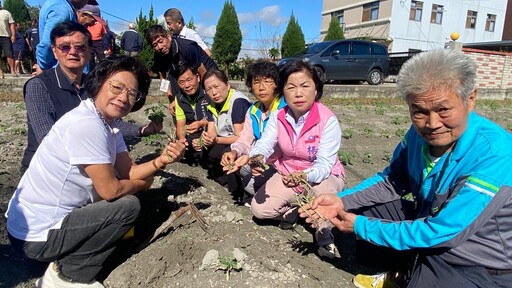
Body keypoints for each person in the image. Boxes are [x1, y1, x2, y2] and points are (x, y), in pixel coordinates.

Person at [300, 49, 512, 288]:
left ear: (469, 99)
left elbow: (444, 232)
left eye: (443, 110)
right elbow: (392, 181)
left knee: (430, 268)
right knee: (367, 208)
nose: (432, 124)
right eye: (419, 112)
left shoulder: (495, 153)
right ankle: (402, 271)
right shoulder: (417, 136)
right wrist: (341, 200)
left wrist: (360, 226)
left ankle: (411, 275)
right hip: (433, 223)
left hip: (479, 257)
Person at [6, 55, 187, 288]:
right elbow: (111, 191)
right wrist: (143, 185)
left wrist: (162, 160)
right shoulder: (87, 125)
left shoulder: (109, 126)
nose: (123, 97)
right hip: (35, 237)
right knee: (127, 206)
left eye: (132, 94)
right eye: (117, 87)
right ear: (99, 83)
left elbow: (129, 172)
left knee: (128, 200)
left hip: (44, 226)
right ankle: (67, 275)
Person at [20, 21, 162, 174]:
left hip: (88, 164)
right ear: (54, 51)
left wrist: (142, 130)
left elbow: (111, 124)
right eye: (65, 47)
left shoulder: (94, 85)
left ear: (89, 51)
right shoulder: (39, 86)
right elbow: (48, 139)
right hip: (45, 169)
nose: (73, 52)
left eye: (80, 47)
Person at [248, 59, 345, 260]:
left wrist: (304, 176)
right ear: (283, 91)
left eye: (305, 86)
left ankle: (325, 238)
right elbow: (265, 143)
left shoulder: (327, 120)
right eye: (291, 87)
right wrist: (257, 158)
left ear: (316, 89)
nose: (298, 93)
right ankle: (295, 211)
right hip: (287, 174)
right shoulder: (279, 116)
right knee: (259, 210)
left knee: (321, 205)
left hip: (322, 177)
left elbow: (325, 165)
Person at [221, 60, 286, 203]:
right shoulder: (253, 110)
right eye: (256, 82)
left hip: (282, 163)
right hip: (262, 160)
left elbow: (281, 147)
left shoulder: (285, 108)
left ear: (277, 84)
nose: (261, 88)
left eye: (267, 81)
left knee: (250, 182)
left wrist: (252, 157)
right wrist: (235, 152)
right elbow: (245, 139)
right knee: (245, 175)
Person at [199, 68, 251, 203]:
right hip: (226, 139)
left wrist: (216, 139)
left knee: (227, 156)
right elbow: (211, 129)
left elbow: (240, 137)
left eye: (216, 86)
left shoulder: (238, 102)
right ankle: (223, 180)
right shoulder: (212, 104)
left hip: (243, 142)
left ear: (227, 85)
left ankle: (241, 194)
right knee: (206, 152)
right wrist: (207, 139)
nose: (214, 92)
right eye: (209, 89)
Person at [145, 24, 218, 114]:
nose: (159, 47)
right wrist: (171, 99)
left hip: (209, 75)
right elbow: (163, 79)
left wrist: (205, 98)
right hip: (184, 73)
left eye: (160, 41)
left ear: (168, 36)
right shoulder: (158, 56)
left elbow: (203, 73)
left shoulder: (187, 47)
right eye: (155, 45)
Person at [35, 0, 89, 75]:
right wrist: (42, 66)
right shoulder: (62, 9)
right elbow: (48, 43)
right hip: (61, 74)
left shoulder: (59, 5)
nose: (86, 3)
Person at [174, 62, 210, 165]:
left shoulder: (209, 93)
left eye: (189, 80)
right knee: (175, 145)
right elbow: (181, 125)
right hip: (193, 134)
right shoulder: (179, 98)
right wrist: (182, 141)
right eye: (181, 82)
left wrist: (201, 123)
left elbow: (218, 120)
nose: (187, 85)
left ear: (198, 77)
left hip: (210, 132)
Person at [0, 5, 15, 78]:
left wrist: (13, 35)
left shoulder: (6, 13)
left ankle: (12, 70)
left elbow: (12, 24)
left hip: (5, 36)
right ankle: (0, 72)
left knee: (9, 54)